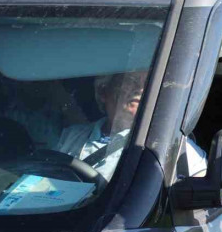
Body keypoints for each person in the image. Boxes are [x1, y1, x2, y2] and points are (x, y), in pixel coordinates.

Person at [56, 72, 207, 181]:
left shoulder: (174, 146)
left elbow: (197, 200)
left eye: (148, 83)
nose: (140, 89)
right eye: (131, 81)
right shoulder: (72, 135)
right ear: (104, 91)